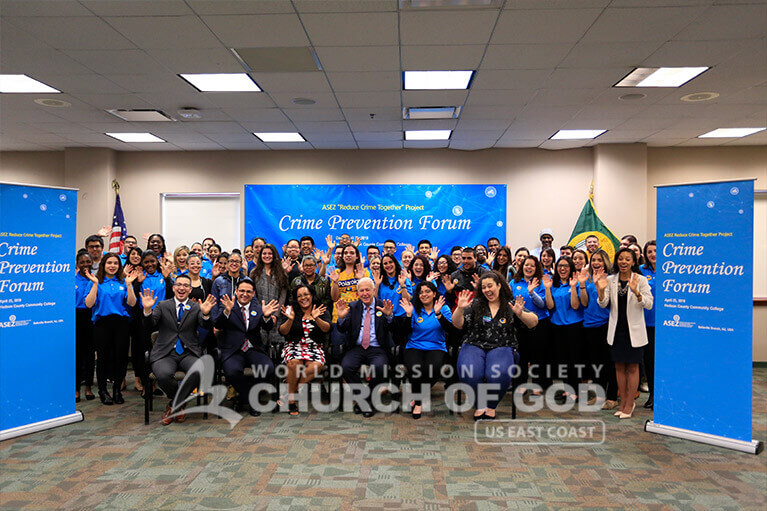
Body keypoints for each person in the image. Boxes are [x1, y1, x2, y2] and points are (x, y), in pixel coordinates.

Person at [453, 271, 538, 420]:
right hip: (474, 344)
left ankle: (491, 405)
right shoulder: (476, 304)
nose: (487, 290)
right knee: (470, 371)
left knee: (498, 373)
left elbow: (534, 322)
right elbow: (458, 325)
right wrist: (460, 309)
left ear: (499, 285)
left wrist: (520, 314)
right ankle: (479, 404)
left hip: (502, 345)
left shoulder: (510, 304)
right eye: (484, 287)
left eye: (490, 286)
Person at [143, 274, 217, 424]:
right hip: (165, 353)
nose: (181, 288)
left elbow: (205, 326)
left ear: (190, 290)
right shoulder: (163, 305)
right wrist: (147, 311)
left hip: (188, 352)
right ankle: (180, 403)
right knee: (163, 375)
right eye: (179, 285)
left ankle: (173, 405)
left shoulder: (197, 307)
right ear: (174, 288)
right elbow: (150, 325)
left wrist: (206, 314)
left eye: (185, 285)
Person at [595, 247, 653, 419]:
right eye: (621, 259)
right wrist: (600, 288)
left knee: (633, 367)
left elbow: (649, 304)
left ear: (634, 262)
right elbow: (603, 304)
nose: (624, 262)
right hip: (616, 330)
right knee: (619, 367)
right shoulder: (611, 279)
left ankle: (629, 403)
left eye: (628, 259)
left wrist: (636, 292)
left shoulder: (640, 280)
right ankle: (623, 403)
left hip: (634, 331)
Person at [214, 278, 279, 417]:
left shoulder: (257, 308)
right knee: (232, 372)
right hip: (233, 350)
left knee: (268, 369)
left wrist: (267, 317)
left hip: (253, 348)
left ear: (253, 293)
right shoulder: (228, 305)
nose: (245, 294)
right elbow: (218, 324)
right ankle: (251, 400)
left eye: (248, 291)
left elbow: (267, 327)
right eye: (242, 291)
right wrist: (226, 311)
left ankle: (241, 397)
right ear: (236, 291)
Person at [84, 253, 139, 405]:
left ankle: (116, 390)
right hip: (102, 324)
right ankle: (103, 390)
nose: (112, 265)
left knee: (120, 358)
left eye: (115, 263)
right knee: (103, 358)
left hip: (121, 323)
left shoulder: (123, 281)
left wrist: (129, 284)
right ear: (103, 264)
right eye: (109, 263)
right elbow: (89, 304)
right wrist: (95, 285)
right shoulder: (96, 281)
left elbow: (132, 303)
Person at [337, 278, 395, 418]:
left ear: (374, 290)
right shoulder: (353, 306)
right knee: (346, 367)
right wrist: (341, 318)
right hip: (357, 348)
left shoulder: (383, 305)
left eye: (367, 289)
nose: (365, 293)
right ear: (358, 293)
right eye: (361, 290)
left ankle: (365, 400)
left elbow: (395, 330)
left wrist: (389, 317)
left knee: (380, 368)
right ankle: (364, 399)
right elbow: (342, 329)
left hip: (377, 348)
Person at [399, 281, 453, 419]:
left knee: (433, 369)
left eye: (427, 291)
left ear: (434, 293)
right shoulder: (414, 309)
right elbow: (404, 332)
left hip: (436, 346)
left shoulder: (443, 308)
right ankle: (418, 403)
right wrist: (409, 315)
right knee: (416, 369)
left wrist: (439, 314)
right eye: (421, 292)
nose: (424, 294)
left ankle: (417, 396)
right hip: (414, 346)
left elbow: (450, 330)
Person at [278, 285, 331, 415]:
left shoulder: (321, 309)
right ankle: (291, 402)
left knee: (316, 366)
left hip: (314, 347)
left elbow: (327, 329)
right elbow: (283, 332)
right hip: (294, 346)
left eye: (306, 294)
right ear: (296, 299)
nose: (303, 298)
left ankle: (290, 392)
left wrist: (317, 318)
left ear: (312, 295)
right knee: (294, 364)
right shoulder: (291, 310)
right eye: (299, 296)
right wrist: (290, 320)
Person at [580, 249, 618, 410]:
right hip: (589, 324)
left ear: (605, 263)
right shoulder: (587, 279)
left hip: (606, 323)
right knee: (596, 363)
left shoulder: (610, 279)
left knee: (609, 362)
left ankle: (612, 397)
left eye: (599, 260)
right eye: (594, 260)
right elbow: (584, 303)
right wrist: (582, 285)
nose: (596, 263)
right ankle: (599, 395)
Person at [543, 256, 584, 402]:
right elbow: (549, 306)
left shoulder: (576, 283)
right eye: (560, 265)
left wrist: (573, 287)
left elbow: (575, 306)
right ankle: (567, 388)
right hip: (556, 326)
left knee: (574, 359)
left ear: (571, 268)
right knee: (562, 360)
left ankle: (576, 390)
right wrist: (547, 289)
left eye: (566, 266)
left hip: (573, 326)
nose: (563, 268)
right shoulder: (554, 284)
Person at [510, 256, 550, 394]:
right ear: (522, 267)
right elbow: (509, 300)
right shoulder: (514, 282)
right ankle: (520, 384)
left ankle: (537, 386)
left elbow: (543, 304)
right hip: (520, 324)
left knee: (537, 356)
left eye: (532, 266)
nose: (529, 268)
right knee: (522, 355)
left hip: (539, 323)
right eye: (527, 265)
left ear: (536, 268)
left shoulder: (541, 284)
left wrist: (532, 292)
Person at [249, 244, 289, 349]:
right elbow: (252, 295)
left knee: (276, 346)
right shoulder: (254, 273)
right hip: (259, 314)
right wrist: (260, 312)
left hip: (277, 314)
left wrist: (276, 314)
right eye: (264, 253)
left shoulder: (281, 272)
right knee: (260, 344)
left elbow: (283, 295)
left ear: (274, 255)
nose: (267, 256)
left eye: (270, 253)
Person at [75, 250, 95, 403]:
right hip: (75, 318)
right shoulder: (71, 279)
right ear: (77, 264)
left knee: (89, 355)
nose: (86, 265)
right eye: (82, 262)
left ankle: (88, 387)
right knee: (76, 354)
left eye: (88, 262)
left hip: (90, 318)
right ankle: (76, 389)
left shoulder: (95, 280)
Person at [640, 240, 657, 409]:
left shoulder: (671, 269)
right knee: (649, 361)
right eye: (649, 251)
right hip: (646, 323)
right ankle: (652, 394)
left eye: (656, 251)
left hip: (666, 325)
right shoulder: (640, 271)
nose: (653, 254)